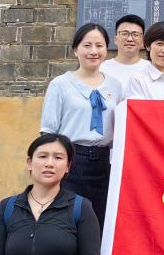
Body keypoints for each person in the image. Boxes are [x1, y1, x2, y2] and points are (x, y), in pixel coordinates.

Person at [41, 23, 123, 229]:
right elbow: (48, 131)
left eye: (99, 46)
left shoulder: (115, 85)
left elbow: (122, 127)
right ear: (75, 50)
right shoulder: (60, 84)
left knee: (100, 220)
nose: (93, 51)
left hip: (105, 162)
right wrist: (53, 163)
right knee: (68, 218)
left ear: (106, 50)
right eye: (87, 45)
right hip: (71, 159)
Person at [99, 14, 149, 92]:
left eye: (135, 35)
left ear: (143, 41)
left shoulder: (151, 69)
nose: (130, 39)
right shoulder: (101, 68)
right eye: (124, 34)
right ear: (115, 40)